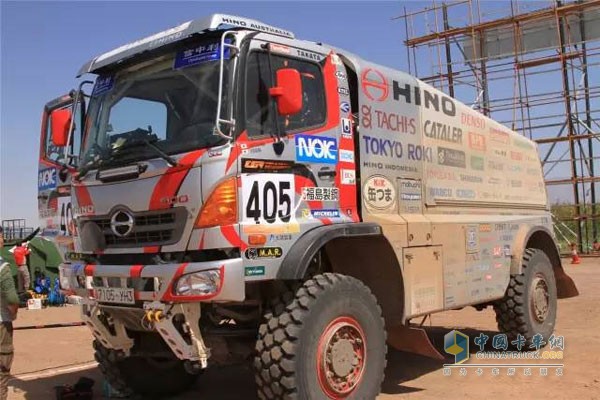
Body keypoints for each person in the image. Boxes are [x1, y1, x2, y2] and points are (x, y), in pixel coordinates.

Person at [0, 227, 20, 400]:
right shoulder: (2, 267)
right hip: (1, 323)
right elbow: (12, 299)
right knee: (2, 368)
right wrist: (12, 315)